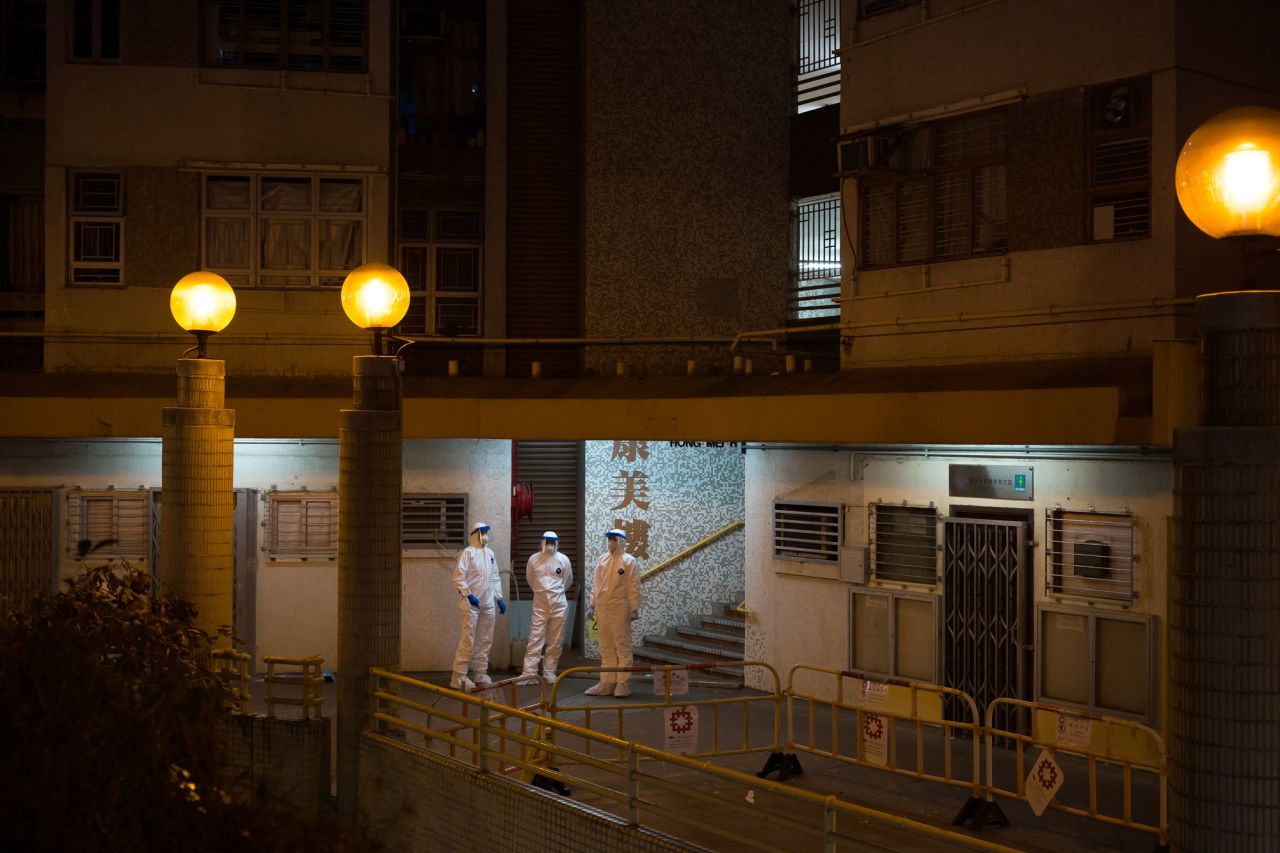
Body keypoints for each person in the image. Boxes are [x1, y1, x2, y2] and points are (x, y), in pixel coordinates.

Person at [585, 528, 640, 697]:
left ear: (621, 541)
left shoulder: (629, 561)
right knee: (605, 646)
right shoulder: (602, 560)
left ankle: (622, 683)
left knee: (622, 644)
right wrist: (592, 604)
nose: (610, 542)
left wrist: (634, 608)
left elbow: (633, 586)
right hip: (602, 607)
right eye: (609, 539)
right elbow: (596, 584)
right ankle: (607, 682)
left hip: (619, 607)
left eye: (613, 539)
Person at [451, 521, 506, 691]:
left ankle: (480, 673)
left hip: (488, 603)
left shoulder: (490, 553)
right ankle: (458, 677)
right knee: (468, 639)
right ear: (476, 534)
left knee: (485, 639)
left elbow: (495, 576)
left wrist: (498, 598)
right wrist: (469, 594)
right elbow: (458, 577)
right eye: (482, 532)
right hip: (471, 604)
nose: (486, 535)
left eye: (487, 532)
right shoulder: (468, 553)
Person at [521, 531, 573, 683]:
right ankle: (529, 672)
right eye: (547, 542)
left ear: (557, 543)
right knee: (535, 638)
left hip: (559, 605)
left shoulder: (563, 559)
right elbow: (530, 580)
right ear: (542, 542)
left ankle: (549, 671)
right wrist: (542, 593)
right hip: (540, 605)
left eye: (552, 542)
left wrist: (555, 593)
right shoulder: (533, 559)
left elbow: (567, 580)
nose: (550, 545)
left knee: (556, 640)